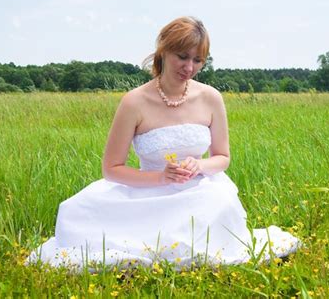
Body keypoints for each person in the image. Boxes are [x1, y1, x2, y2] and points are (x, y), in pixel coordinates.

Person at [27, 17, 300, 269]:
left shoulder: (211, 97)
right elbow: (111, 168)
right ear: (163, 51)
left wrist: (200, 164)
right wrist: (161, 177)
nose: (189, 67)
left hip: (200, 190)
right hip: (148, 190)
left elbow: (222, 157)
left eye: (198, 60)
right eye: (182, 57)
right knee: (76, 211)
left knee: (220, 199)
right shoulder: (134, 102)